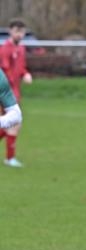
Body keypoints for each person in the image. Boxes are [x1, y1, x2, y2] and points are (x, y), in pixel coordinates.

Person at [0, 18, 32, 168]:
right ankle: (10, 158)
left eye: (22, 31)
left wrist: (25, 73)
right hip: (6, 93)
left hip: (15, 91)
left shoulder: (21, 48)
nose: (19, 34)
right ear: (10, 31)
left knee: (10, 124)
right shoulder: (5, 49)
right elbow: (5, 72)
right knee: (13, 123)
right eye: (16, 31)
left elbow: (21, 67)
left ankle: (10, 158)